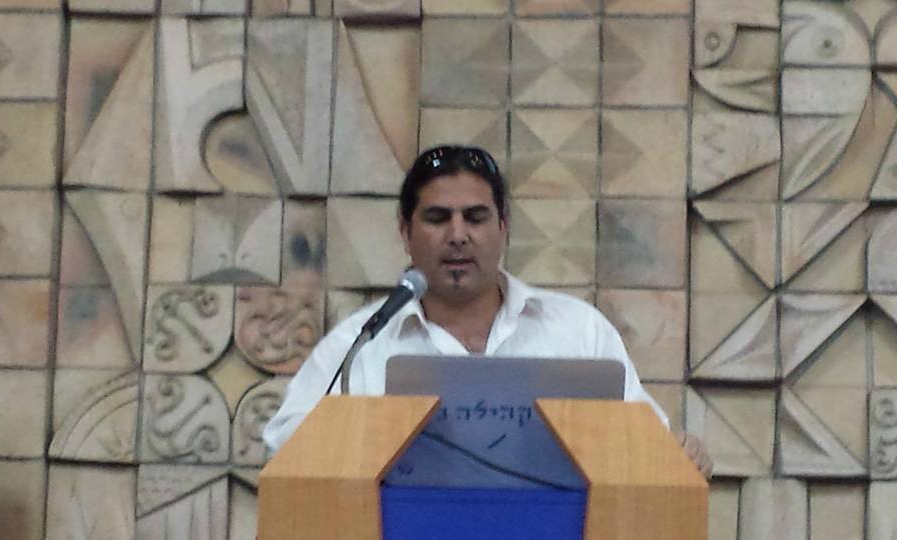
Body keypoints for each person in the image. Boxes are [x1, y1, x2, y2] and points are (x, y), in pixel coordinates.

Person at [263, 144, 712, 477]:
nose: (458, 235)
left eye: (475, 218)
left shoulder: (577, 331)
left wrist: (678, 455)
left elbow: (645, 445)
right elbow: (284, 449)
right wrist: (365, 442)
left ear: (503, 227)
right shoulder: (362, 343)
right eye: (438, 218)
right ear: (405, 231)